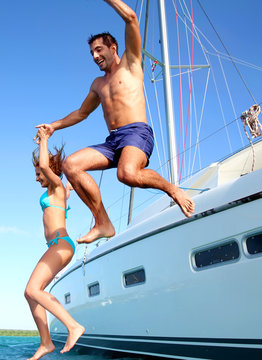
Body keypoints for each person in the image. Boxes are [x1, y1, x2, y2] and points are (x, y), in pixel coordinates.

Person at [36, 0, 195, 244]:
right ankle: (103, 222)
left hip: (136, 133)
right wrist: (53, 126)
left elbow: (131, 17)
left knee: (127, 174)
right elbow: (81, 113)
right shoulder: (98, 84)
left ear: (113, 47)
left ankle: (172, 189)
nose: (95, 56)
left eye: (99, 50)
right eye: (91, 53)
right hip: (113, 141)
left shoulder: (132, 64)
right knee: (71, 165)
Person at [24, 127, 85, 360]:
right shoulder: (61, 191)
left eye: (38, 173)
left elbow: (47, 168)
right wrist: (69, 189)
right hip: (56, 246)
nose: (36, 177)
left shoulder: (56, 185)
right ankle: (46, 343)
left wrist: (44, 140)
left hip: (61, 244)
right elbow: (64, 192)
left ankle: (73, 326)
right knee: (30, 294)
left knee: (32, 289)